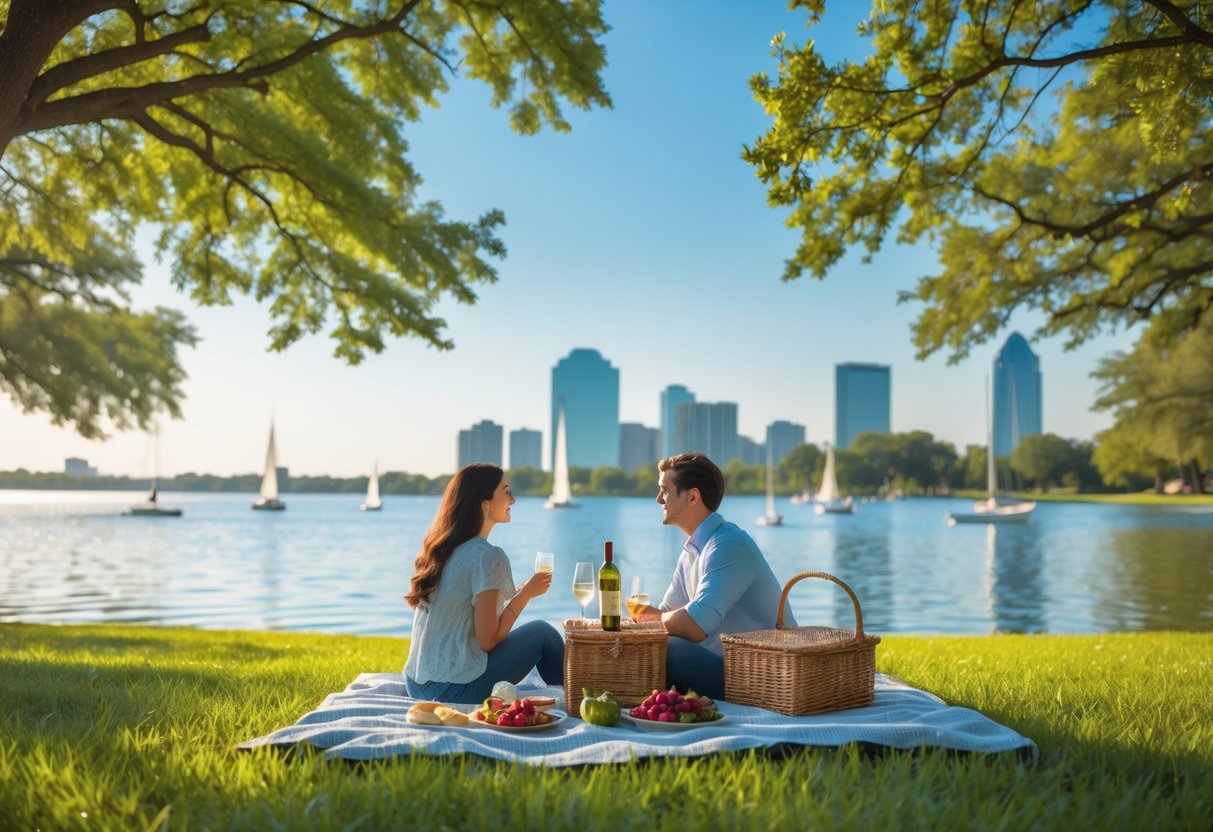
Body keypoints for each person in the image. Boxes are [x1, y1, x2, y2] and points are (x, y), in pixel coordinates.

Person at [635, 452, 795, 699]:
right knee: (552, 636)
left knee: (666, 649)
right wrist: (631, 625)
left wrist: (649, 621)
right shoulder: (692, 551)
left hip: (760, 674)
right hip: (722, 666)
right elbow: (665, 615)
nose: (658, 499)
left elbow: (694, 625)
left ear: (693, 496)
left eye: (665, 490)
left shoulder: (729, 546)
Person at [404, 463, 563, 703]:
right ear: (485, 503)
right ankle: (581, 696)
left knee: (540, 631)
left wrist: (523, 589)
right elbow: (488, 641)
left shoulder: (443, 549)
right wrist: (525, 596)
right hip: (453, 691)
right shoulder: (488, 556)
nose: (514, 499)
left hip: (416, 684)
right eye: (506, 491)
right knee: (544, 633)